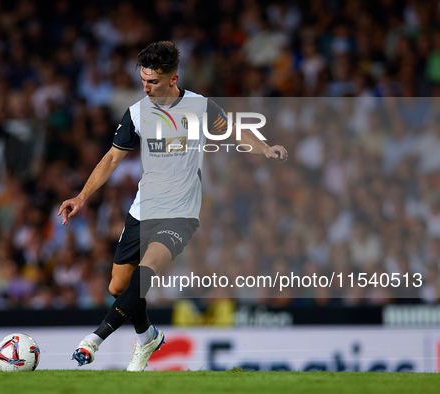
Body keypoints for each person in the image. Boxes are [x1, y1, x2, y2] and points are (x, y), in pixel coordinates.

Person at [58, 41, 288, 371]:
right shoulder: (137, 112)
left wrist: (265, 149)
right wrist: (81, 197)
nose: (145, 88)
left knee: (146, 271)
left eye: (152, 81)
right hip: (142, 210)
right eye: (142, 80)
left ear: (173, 78)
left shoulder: (198, 107)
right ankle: (148, 337)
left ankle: (94, 339)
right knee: (117, 287)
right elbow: (111, 158)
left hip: (180, 214)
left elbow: (235, 132)